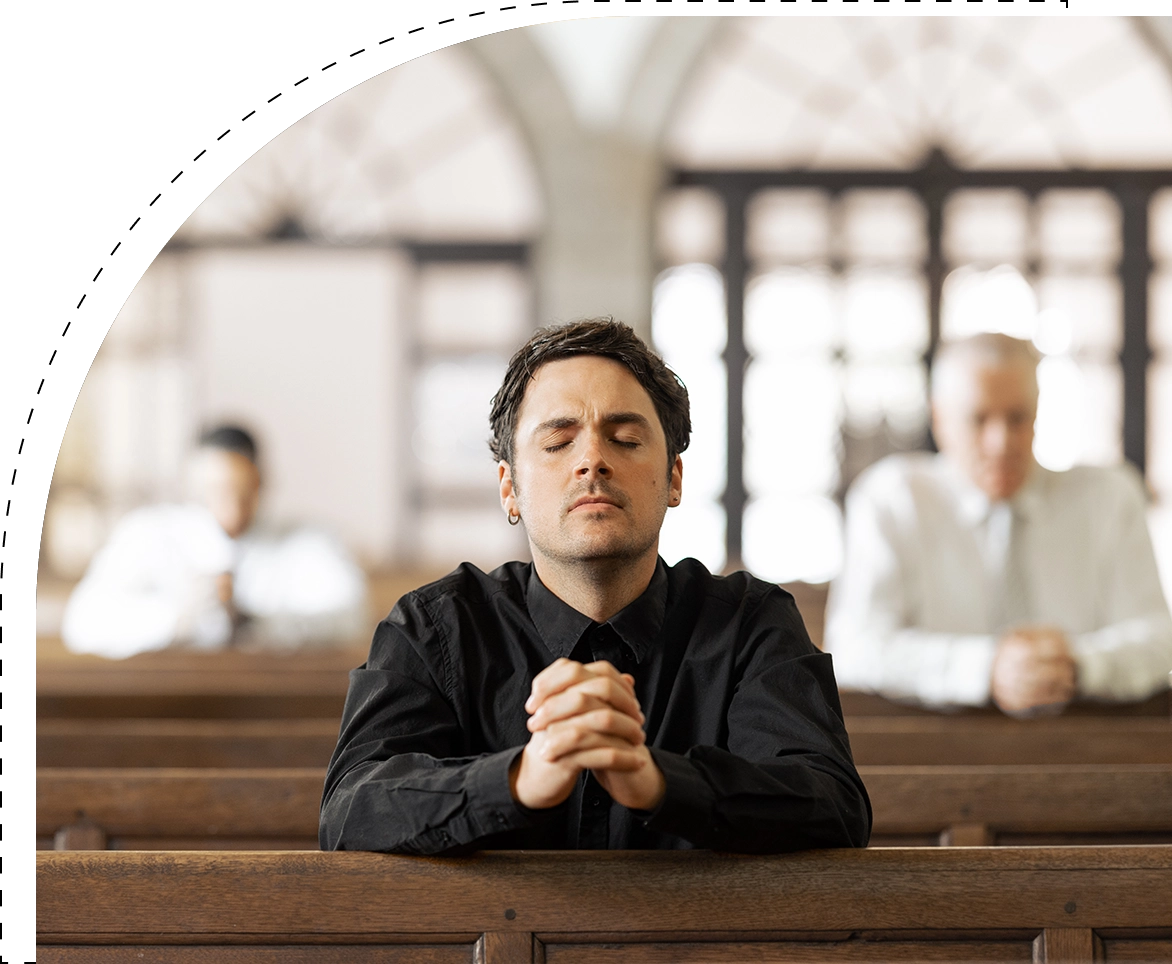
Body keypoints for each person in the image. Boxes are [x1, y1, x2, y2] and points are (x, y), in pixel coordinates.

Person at [320, 319, 870, 855]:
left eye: (626, 438)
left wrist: (658, 782)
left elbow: (832, 803)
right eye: (558, 442)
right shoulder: (433, 629)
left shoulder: (751, 625)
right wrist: (517, 779)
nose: (593, 462)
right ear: (509, 488)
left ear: (674, 478)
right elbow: (350, 809)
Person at [825, 333, 1172, 715]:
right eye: (979, 419)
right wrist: (984, 668)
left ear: (1038, 411)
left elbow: (1158, 639)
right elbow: (854, 648)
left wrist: (1077, 664)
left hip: (1089, 750)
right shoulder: (891, 499)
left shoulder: (1111, 497)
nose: (1001, 442)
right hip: (939, 753)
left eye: (1017, 417)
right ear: (939, 418)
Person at [61, 425, 367, 658]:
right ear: (191, 486)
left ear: (261, 482)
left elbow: (352, 617)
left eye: (241, 490)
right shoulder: (146, 533)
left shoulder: (311, 541)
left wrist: (258, 624)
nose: (231, 505)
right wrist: (177, 618)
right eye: (216, 489)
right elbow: (82, 622)